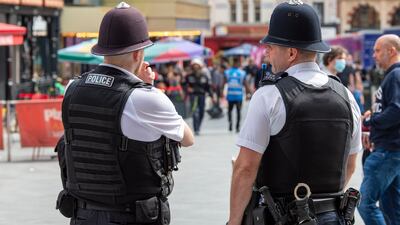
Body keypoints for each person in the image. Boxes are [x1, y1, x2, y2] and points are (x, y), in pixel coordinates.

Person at [55, 3, 194, 225]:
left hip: (82, 215)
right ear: (139, 54)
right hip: (128, 216)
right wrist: (147, 87)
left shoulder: (72, 89)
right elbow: (188, 138)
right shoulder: (145, 98)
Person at [227, 2, 362, 225]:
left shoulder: (269, 95)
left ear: (291, 52)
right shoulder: (346, 95)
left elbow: (246, 167)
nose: (267, 53)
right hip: (333, 215)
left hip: (283, 216)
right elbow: (350, 163)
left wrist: (233, 221)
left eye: (271, 46)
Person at [358, 34, 400, 225]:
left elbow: (396, 111)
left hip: (387, 151)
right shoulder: (392, 75)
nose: (373, 55)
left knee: (364, 203)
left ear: (391, 51)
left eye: (377, 50)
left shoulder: (395, 75)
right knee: (392, 208)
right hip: (389, 149)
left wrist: (372, 121)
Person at [184, 58, 212, 135]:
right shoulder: (188, 76)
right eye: (194, 66)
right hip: (193, 96)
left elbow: (208, 87)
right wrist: (187, 89)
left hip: (202, 95)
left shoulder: (204, 76)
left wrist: (212, 96)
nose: (196, 68)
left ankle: (198, 126)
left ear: (200, 67)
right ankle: (196, 129)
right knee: (195, 112)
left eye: (197, 66)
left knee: (202, 112)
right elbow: (184, 85)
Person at [224, 57, 247, 132]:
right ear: (238, 63)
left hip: (231, 95)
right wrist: (249, 93)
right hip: (238, 96)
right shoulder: (242, 73)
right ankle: (236, 127)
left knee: (230, 111)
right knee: (238, 111)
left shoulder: (227, 72)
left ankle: (232, 125)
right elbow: (245, 84)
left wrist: (221, 92)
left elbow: (223, 82)